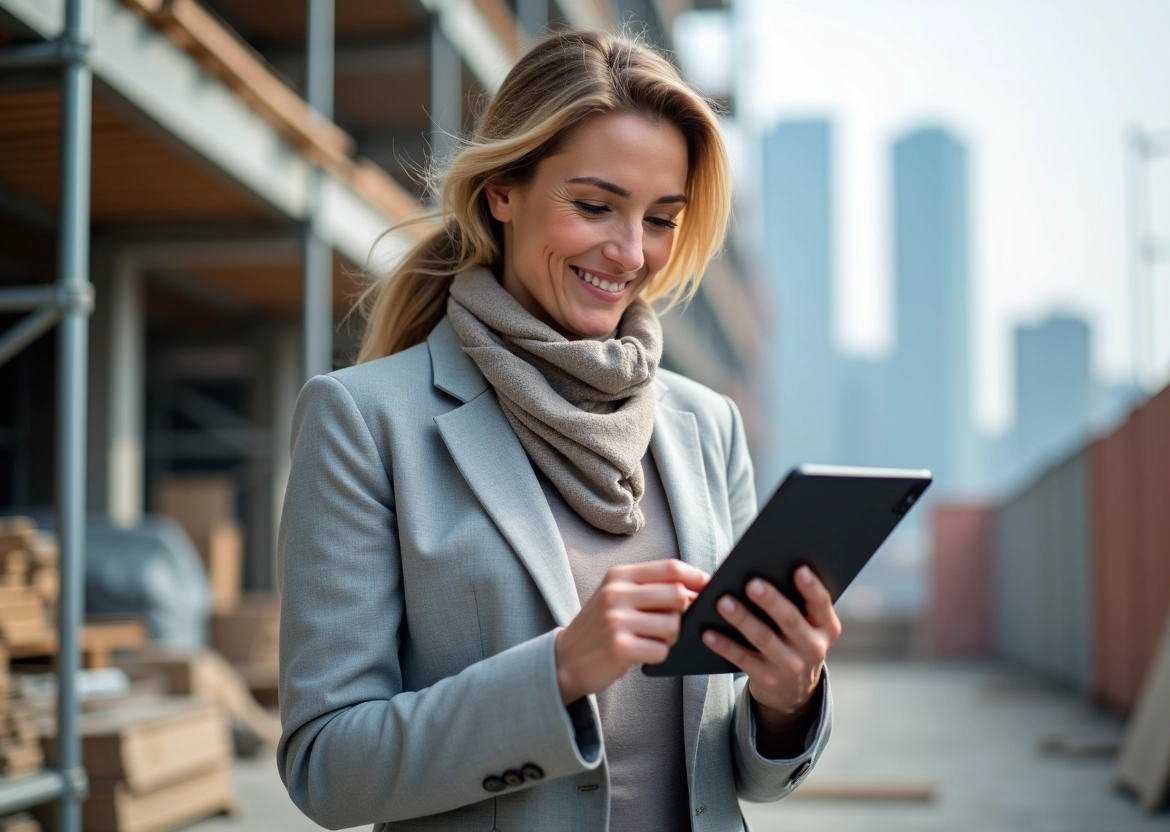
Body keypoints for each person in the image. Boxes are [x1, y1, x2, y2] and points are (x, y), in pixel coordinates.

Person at [277, 29, 841, 832]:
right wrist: (558, 672)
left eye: (661, 219)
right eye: (595, 206)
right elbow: (327, 768)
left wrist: (787, 697)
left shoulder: (706, 425)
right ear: (501, 191)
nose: (631, 252)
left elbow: (740, 777)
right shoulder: (364, 422)